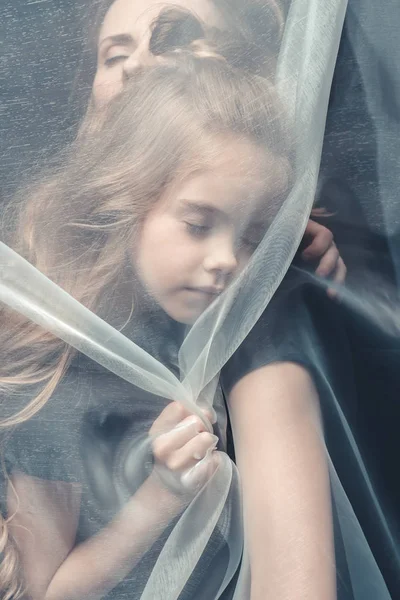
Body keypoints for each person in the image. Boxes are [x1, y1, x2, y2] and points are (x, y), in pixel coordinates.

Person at [0, 25, 337, 600]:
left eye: (255, 237)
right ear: (127, 203)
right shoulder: (58, 373)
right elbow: (47, 592)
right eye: (198, 224)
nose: (227, 260)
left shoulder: (249, 341)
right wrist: (161, 496)